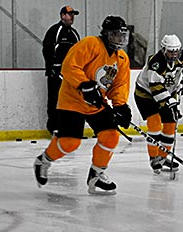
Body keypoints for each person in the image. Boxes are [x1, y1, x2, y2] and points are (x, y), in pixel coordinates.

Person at [33, 15, 132, 195]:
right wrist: (84, 85)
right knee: (70, 143)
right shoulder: (90, 44)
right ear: (106, 34)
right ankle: (43, 161)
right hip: (72, 100)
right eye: (116, 35)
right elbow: (69, 66)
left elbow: (119, 85)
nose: (120, 39)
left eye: (123, 35)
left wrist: (120, 106)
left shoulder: (122, 59)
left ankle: (96, 174)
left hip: (96, 103)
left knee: (110, 136)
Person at [134, 34, 183, 174]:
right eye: (171, 51)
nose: (174, 54)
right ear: (164, 49)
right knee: (155, 124)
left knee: (171, 125)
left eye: (176, 51)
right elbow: (155, 87)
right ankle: (153, 159)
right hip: (145, 95)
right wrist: (170, 101)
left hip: (167, 94)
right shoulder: (156, 62)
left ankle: (163, 158)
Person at [42, 6, 81, 135]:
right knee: (54, 99)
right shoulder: (55, 31)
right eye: (70, 14)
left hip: (70, 74)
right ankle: (54, 127)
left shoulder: (74, 33)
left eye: (73, 14)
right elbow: (47, 49)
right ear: (62, 15)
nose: (72, 17)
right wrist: (52, 68)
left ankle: (68, 127)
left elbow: (79, 53)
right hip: (56, 72)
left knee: (70, 100)